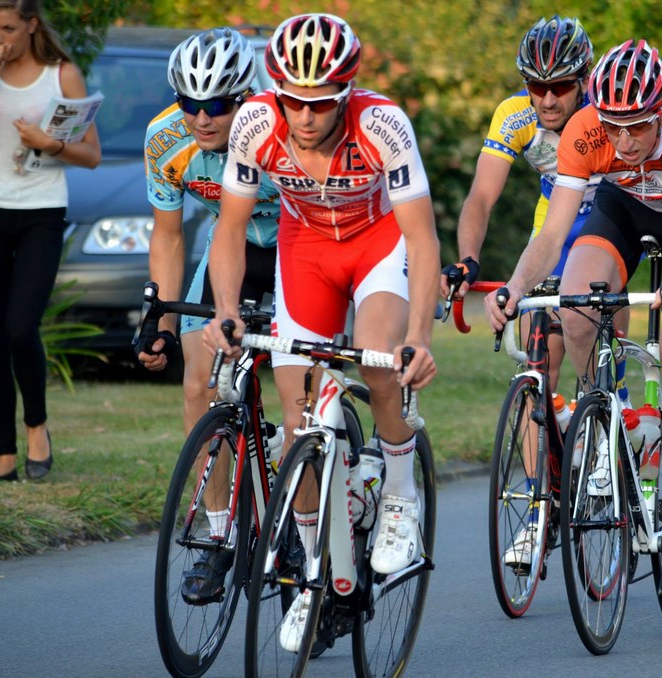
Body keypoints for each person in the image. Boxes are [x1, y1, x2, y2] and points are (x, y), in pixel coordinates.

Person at [204, 13, 439, 650]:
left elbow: (421, 237)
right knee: (298, 420)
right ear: (276, 92)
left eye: (322, 102)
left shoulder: (382, 124)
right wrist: (226, 309)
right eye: (294, 101)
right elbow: (231, 228)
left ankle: (399, 495)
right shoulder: (255, 122)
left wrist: (420, 336)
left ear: (346, 92)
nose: (305, 117)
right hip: (305, 248)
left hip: (377, 243)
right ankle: (312, 572)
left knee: (380, 361)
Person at [485, 39, 662, 589]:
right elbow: (552, 235)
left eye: (637, 127)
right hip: (622, 208)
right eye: (612, 126)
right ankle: (610, 417)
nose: (623, 141)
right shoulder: (585, 131)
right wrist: (514, 286)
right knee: (575, 307)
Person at [133, 28, 282, 604]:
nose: (201, 118)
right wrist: (161, 323)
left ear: (245, 96)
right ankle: (220, 536)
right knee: (200, 382)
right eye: (189, 103)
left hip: (301, 244)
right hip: (233, 248)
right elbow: (169, 236)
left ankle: (311, 513)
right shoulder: (165, 138)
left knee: (303, 383)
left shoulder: (278, 128)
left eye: (217, 105)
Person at [0, 0, 101, 481]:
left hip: (41, 211)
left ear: (32, 25)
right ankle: (4, 456)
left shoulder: (62, 75)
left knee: (20, 327)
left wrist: (49, 143)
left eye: (9, 28)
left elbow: (91, 155)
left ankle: (36, 425)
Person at [441, 16, 597, 399]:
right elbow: (481, 197)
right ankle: (544, 431)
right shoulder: (515, 115)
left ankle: (611, 401)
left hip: (609, 218)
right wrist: (468, 258)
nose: (547, 100)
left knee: (597, 326)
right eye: (536, 86)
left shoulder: (603, 109)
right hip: (555, 220)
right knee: (536, 359)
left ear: (584, 80)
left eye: (561, 86)